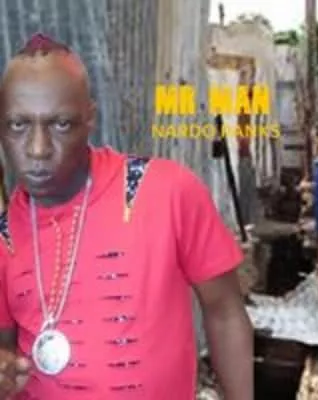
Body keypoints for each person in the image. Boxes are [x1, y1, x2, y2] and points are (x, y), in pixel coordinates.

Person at [0, 33, 253, 399]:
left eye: (61, 124)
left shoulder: (166, 191)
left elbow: (225, 311)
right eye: (18, 125)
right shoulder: (4, 237)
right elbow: (6, 352)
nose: (38, 149)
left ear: (90, 119)